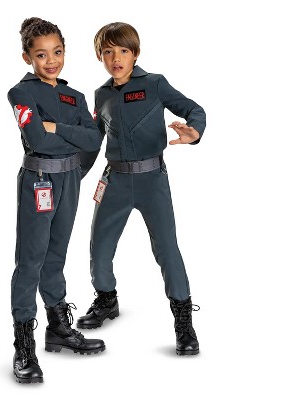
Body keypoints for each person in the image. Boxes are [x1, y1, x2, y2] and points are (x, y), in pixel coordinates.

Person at [77, 22, 206, 356]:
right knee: (99, 247)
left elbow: (194, 109)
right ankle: (107, 299)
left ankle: (183, 320)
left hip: (152, 181)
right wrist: (73, 175)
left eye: (123, 50)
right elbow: (93, 142)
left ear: (135, 53)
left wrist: (194, 131)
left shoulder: (155, 84)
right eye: (108, 52)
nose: (116, 58)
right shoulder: (101, 95)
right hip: (114, 181)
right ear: (100, 56)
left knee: (167, 250)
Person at [7, 17, 105, 384]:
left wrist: (57, 128)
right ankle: (23, 344)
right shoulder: (21, 93)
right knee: (30, 259)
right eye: (41, 54)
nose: (51, 61)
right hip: (40, 181)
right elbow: (38, 141)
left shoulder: (74, 96)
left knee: (57, 254)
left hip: (70, 180)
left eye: (57, 52)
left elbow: (93, 140)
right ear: (27, 57)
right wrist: (70, 135)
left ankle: (58, 326)